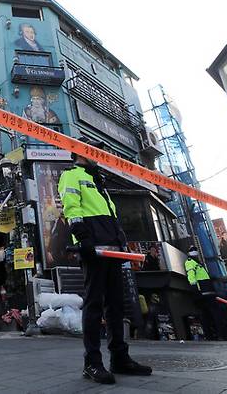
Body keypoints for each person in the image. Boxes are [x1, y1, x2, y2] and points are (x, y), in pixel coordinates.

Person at [58, 137, 152, 384]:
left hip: (113, 252)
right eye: (93, 151)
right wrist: (83, 239)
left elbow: (111, 216)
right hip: (94, 251)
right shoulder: (71, 175)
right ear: (80, 152)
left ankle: (120, 359)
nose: (97, 155)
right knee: (94, 305)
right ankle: (92, 363)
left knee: (116, 305)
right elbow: (72, 208)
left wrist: (122, 244)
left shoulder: (98, 181)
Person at [185, 246, 222, 340]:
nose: (195, 252)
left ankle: (215, 334)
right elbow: (191, 276)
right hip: (203, 292)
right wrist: (195, 289)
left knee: (210, 314)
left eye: (195, 250)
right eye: (192, 251)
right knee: (208, 314)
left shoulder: (197, 263)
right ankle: (212, 335)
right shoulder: (190, 262)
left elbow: (202, 276)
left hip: (207, 291)